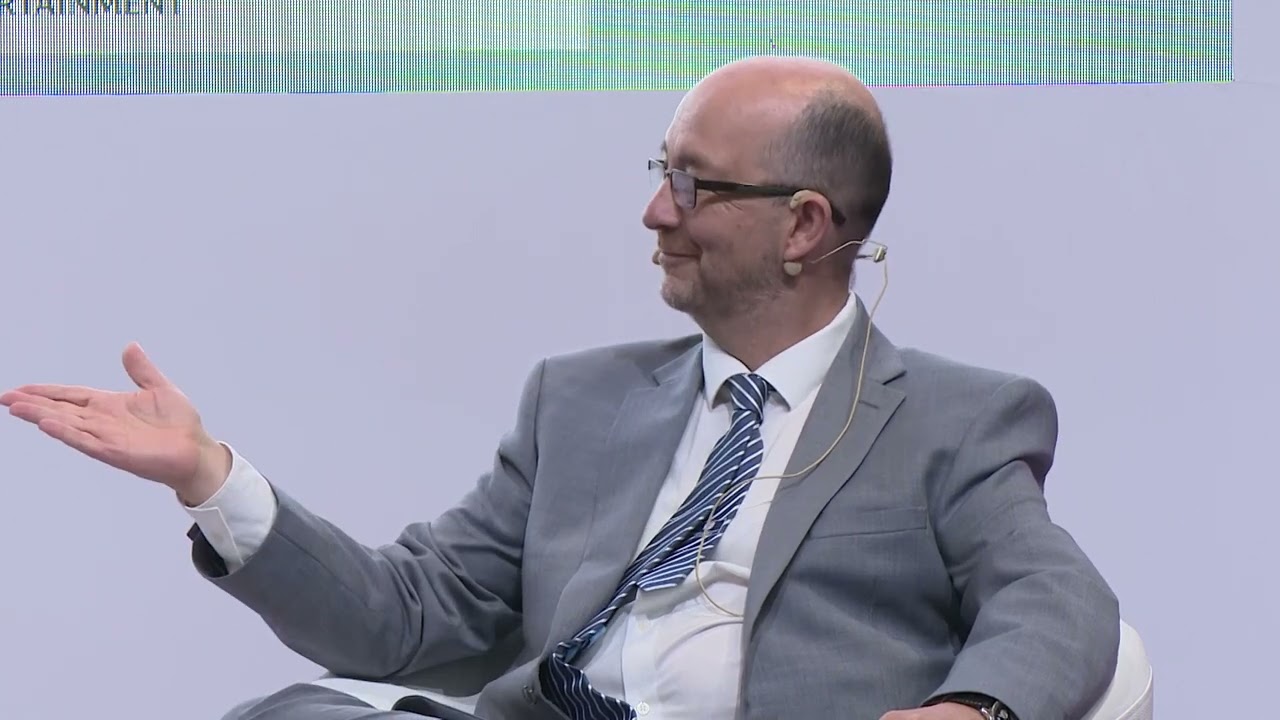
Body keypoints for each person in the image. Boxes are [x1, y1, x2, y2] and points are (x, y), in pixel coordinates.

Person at [0, 55, 1120, 720]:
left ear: (803, 226)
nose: (655, 211)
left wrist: (972, 709)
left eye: (692, 184)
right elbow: (405, 618)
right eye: (661, 173)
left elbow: (1055, 599)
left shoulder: (953, 419)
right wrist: (210, 478)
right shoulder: (580, 403)